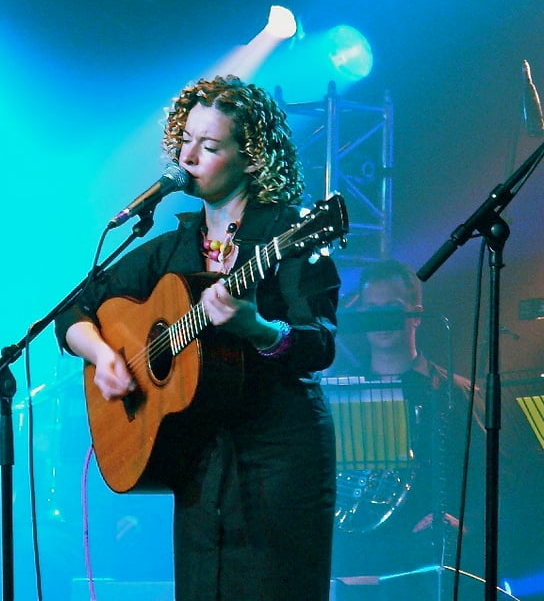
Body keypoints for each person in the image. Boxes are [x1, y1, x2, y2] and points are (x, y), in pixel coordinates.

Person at [54, 75, 342, 601]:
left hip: (278, 456)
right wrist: (103, 355)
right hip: (197, 457)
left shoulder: (287, 237)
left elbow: (319, 343)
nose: (188, 156)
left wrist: (255, 327)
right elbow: (73, 311)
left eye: (209, 146)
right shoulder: (172, 248)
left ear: (251, 158)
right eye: (185, 140)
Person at [328, 258, 485, 591]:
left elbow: (490, 473)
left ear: (416, 313)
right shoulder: (339, 391)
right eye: (372, 308)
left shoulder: (454, 391)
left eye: (392, 307)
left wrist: (466, 524)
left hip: (422, 565)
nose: (382, 318)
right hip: (355, 561)